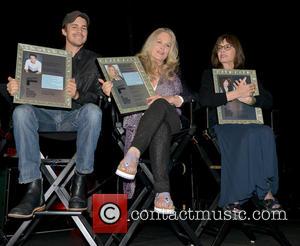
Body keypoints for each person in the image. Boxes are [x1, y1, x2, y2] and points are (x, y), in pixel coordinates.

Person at [6, 10, 103, 218]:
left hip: (76, 119)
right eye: (74, 26)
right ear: (63, 30)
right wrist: (15, 90)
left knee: (94, 112)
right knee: (21, 112)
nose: (80, 30)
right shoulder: (44, 58)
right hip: (46, 118)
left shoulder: (96, 62)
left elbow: (99, 99)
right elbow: (28, 91)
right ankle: (33, 190)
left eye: (84, 27)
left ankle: (80, 181)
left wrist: (77, 93)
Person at [101, 28, 190, 214]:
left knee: (158, 103)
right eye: (159, 42)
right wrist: (111, 93)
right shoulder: (131, 67)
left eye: (168, 45)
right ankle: (163, 193)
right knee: (160, 128)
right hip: (145, 127)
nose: (163, 48)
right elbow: (121, 98)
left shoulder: (173, 74)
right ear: (151, 43)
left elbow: (191, 96)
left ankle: (132, 155)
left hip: (174, 123)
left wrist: (173, 99)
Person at [198, 34, 281, 213]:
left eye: (227, 47)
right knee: (249, 135)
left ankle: (266, 192)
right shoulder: (210, 75)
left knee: (265, 132)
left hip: (249, 124)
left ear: (237, 51)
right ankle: (236, 198)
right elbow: (204, 100)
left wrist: (250, 99)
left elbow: (268, 100)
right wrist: (235, 94)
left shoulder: (248, 76)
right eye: (219, 48)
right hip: (223, 126)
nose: (222, 51)